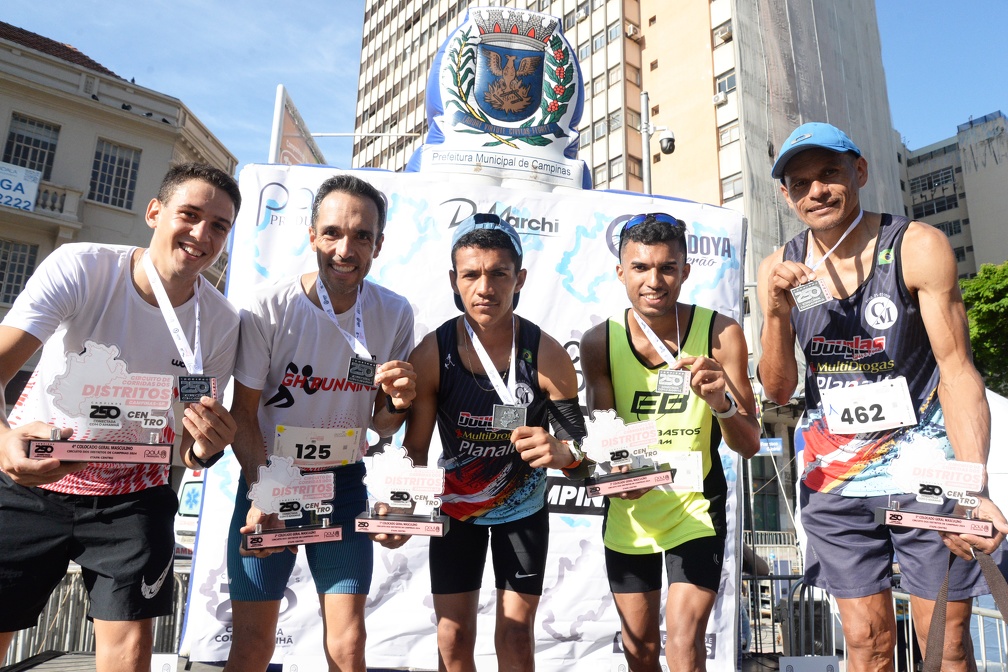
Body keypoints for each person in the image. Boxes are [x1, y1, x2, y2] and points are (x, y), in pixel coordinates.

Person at [757, 121, 1008, 672]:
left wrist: (974, 485)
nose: (815, 191)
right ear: (786, 195)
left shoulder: (916, 245)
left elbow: (959, 373)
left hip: (925, 469)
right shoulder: (779, 266)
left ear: (860, 171)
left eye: (829, 174)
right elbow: (776, 390)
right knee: (868, 644)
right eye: (800, 183)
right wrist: (776, 311)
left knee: (944, 645)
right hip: (837, 475)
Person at [0, 163, 242, 672]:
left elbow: (188, 442)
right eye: (190, 215)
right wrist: (3, 441)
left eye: (219, 225)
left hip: (131, 495)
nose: (201, 234)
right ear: (155, 212)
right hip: (32, 483)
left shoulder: (220, 321)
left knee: (131, 652)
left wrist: (205, 447)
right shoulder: (82, 267)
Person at [223, 174, 416, 672]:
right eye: (332, 233)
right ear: (312, 235)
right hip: (271, 483)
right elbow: (242, 414)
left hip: (342, 485)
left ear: (378, 243)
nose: (345, 248)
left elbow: (384, 425)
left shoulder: (393, 312)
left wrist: (399, 401)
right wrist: (266, 493)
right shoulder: (269, 306)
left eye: (361, 236)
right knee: (251, 648)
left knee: (349, 648)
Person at [403, 213, 588, 672]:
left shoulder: (546, 353)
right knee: (453, 636)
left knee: (515, 636)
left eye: (498, 274)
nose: (485, 287)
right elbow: (415, 449)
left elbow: (583, 457)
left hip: (522, 511)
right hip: (456, 510)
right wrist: (397, 502)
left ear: (518, 278)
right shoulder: (433, 351)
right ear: (454, 279)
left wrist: (566, 453)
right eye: (471, 274)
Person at [580, 213, 760, 672]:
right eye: (640, 267)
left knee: (683, 646)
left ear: (685, 270)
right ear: (620, 271)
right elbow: (602, 435)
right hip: (632, 509)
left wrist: (721, 403)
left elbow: (749, 444)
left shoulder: (720, 333)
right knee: (639, 649)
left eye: (667, 268)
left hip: (694, 507)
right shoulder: (600, 340)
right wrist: (612, 471)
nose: (654, 281)